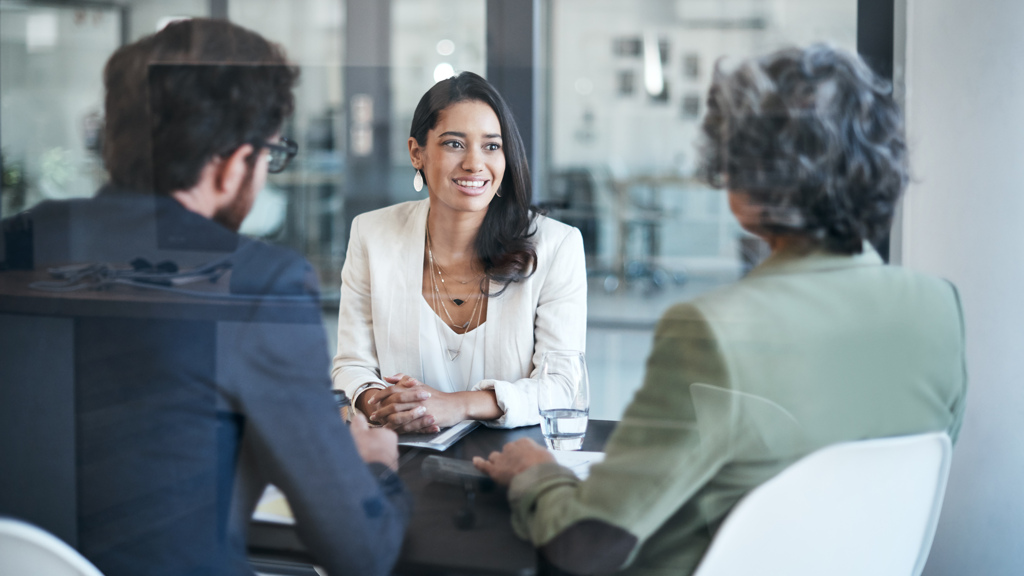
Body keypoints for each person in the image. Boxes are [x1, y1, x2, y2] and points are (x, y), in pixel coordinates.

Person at [473, 44, 968, 575]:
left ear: (744, 174)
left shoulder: (711, 331)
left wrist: (535, 473)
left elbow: (586, 547)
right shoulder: (939, 308)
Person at [0, 19, 409, 576]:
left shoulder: (15, 244)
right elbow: (360, 552)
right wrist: (375, 468)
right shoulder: (259, 283)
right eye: (271, 154)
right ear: (231, 164)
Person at [332, 72, 587, 433]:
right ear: (416, 152)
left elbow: (564, 386)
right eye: (454, 144)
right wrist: (381, 404)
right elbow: (351, 364)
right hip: (403, 457)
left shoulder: (556, 246)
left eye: (491, 146)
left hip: (510, 461)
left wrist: (457, 406)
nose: (473, 163)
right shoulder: (372, 234)